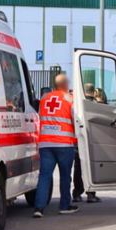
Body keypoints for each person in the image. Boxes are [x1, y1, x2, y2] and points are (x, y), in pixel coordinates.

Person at [33, 74, 80, 217]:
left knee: (44, 176)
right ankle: (64, 206)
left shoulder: (44, 99)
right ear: (65, 85)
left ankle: (39, 208)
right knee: (65, 176)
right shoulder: (70, 99)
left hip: (45, 143)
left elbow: (40, 117)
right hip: (64, 143)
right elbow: (75, 120)